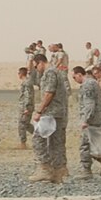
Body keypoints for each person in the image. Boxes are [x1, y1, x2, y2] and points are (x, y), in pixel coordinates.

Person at [30, 48, 69, 184]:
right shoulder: (56, 71)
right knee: (55, 143)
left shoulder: (50, 72)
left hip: (50, 113)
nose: (37, 69)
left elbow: (49, 93)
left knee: (38, 140)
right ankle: (58, 173)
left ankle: (44, 168)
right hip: (57, 113)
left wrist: (39, 111)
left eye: (36, 66)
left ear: (40, 62)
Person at [75, 63, 101, 176]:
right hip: (95, 118)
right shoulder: (93, 83)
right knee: (94, 144)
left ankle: (86, 170)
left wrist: (85, 120)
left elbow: (89, 104)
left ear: (80, 74)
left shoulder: (88, 85)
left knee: (85, 145)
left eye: (74, 77)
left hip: (91, 120)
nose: (74, 80)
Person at [16, 64, 34, 148]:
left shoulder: (26, 83)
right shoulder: (26, 82)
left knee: (22, 124)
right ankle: (39, 135)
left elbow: (28, 95)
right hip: (25, 106)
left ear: (21, 74)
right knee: (26, 124)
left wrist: (26, 108)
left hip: (26, 106)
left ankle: (23, 143)